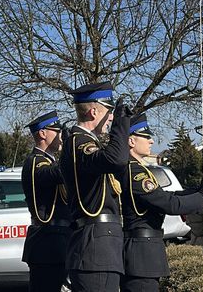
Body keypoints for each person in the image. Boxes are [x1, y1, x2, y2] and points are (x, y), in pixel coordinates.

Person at [120, 113, 203, 292]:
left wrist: (197, 190)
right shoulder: (135, 173)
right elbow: (170, 204)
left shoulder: (138, 169)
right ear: (131, 141)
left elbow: (167, 195)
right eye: (146, 136)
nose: (151, 141)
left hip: (144, 252)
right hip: (141, 255)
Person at [60, 81, 132, 292]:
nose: (111, 118)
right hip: (95, 246)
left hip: (99, 244)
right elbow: (116, 160)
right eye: (109, 112)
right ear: (93, 112)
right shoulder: (80, 142)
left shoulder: (84, 142)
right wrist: (121, 123)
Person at [21, 111, 72, 292]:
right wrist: (71, 149)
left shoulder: (49, 161)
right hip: (47, 243)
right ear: (43, 133)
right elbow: (57, 174)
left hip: (58, 241)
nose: (60, 137)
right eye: (57, 132)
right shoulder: (35, 162)